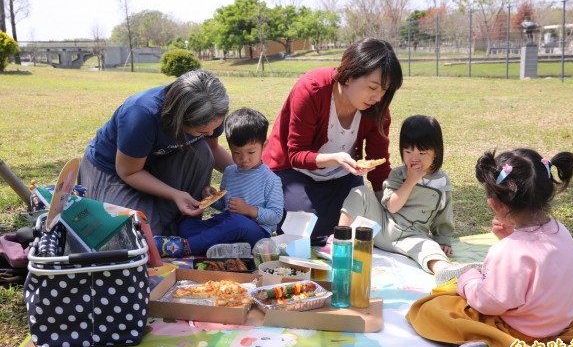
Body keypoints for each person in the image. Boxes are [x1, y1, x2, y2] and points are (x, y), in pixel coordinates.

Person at [406, 148, 573, 347]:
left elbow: (489, 302)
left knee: (434, 309)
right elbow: (539, 266)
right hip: (561, 319)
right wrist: (510, 237)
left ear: (494, 203)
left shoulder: (509, 251)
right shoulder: (560, 230)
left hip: (525, 330)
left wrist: (468, 280)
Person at [262, 38, 403, 246]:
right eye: (373, 87)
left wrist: (385, 206)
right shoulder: (312, 88)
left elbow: (377, 163)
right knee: (307, 231)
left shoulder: (377, 110)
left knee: (365, 228)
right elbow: (296, 154)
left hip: (341, 177)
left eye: (384, 91)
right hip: (294, 173)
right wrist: (334, 159)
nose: (378, 97)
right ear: (349, 76)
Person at [78, 69, 233, 237]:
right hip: (115, 168)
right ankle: (158, 222)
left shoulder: (212, 110)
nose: (211, 133)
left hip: (159, 158)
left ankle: (183, 228)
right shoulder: (140, 114)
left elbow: (212, 148)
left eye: (215, 127)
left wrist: (247, 172)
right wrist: (175, 194)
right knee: (140, 235)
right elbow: (129, 171)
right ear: (179, 119)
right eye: (202, 131)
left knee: (201, 151)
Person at [337, 115, 460, 276]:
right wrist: (410, 181)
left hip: (413, 236)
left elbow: (443, 215)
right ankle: (340, 239)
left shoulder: (441, 182)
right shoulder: (398, 174)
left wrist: (442, 238)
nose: (414, 158)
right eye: (408, 151)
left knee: (430, 248)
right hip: (383, 226)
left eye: (422, 153)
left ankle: (444, 272)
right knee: (360, 192)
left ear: (436, 153)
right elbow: (392, 207)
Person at [177, 107, 284, 256]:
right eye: (236, 152)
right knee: (187, 225)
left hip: (256, 231)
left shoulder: (271, 180)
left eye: (251, 152)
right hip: (228, 222)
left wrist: (248, 210)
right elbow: (225, 206)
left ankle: (189, 247)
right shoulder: (230, 172)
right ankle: (229, 247)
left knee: (237, 223)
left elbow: (276, 215)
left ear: (264, 146)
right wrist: (212, 199)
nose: (244, 159)